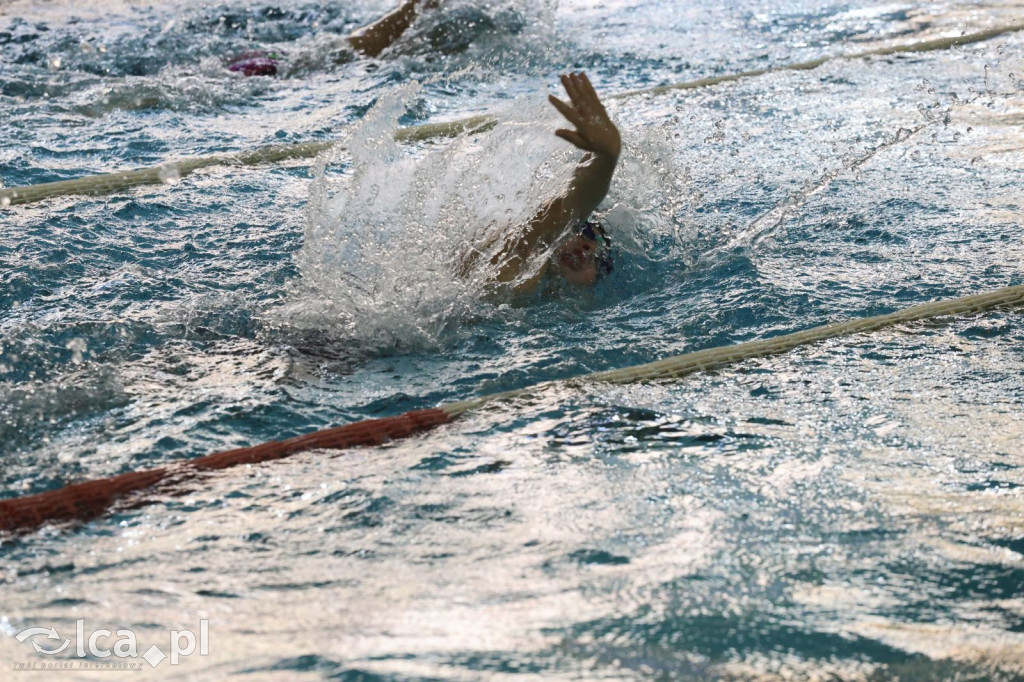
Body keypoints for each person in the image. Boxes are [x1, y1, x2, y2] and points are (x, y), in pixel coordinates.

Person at [463, 71, 620, 294]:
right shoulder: (521, 262)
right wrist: (606, 156)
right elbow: (568, 209)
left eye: (600, 255)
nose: (589, 245)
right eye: (584, 230)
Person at [227, 0, 439, 76]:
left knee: (351, 49)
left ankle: (412, 7)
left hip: (263, 65)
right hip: (268, 66)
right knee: (352, 50)